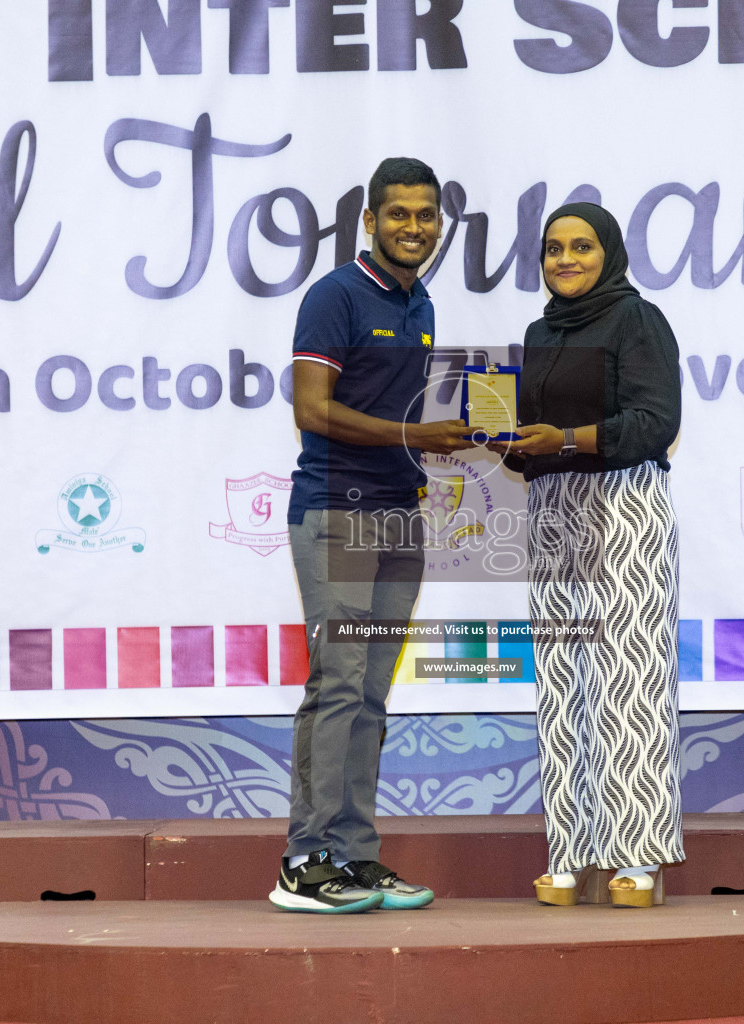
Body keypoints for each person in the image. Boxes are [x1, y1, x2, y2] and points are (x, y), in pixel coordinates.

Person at [271, 157, 474, 914]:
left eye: (426, 216)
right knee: (338, 684)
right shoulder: (334, 296)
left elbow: (402, 419)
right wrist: (416, 431)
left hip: (398, 512)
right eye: (399, 214)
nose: (413, 228)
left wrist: (445, 445)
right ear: (369, 219)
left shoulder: (420, 302)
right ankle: (305, 859)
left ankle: (354, 858)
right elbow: (312, 410)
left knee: (372, 693)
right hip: (337, 511)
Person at [496, 202, 684, 908]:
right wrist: (516, 447)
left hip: (624, 507)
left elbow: (655, 423)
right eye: (552, 249)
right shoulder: (541, 330)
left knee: (628, 683)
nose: (565, 259)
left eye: (580, 246)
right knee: (562, 685)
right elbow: (535, 439)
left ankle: (638, 857)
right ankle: (570, 853)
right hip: (553, 517)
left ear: (608, 252)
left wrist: (566, 441)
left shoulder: (638, 320)